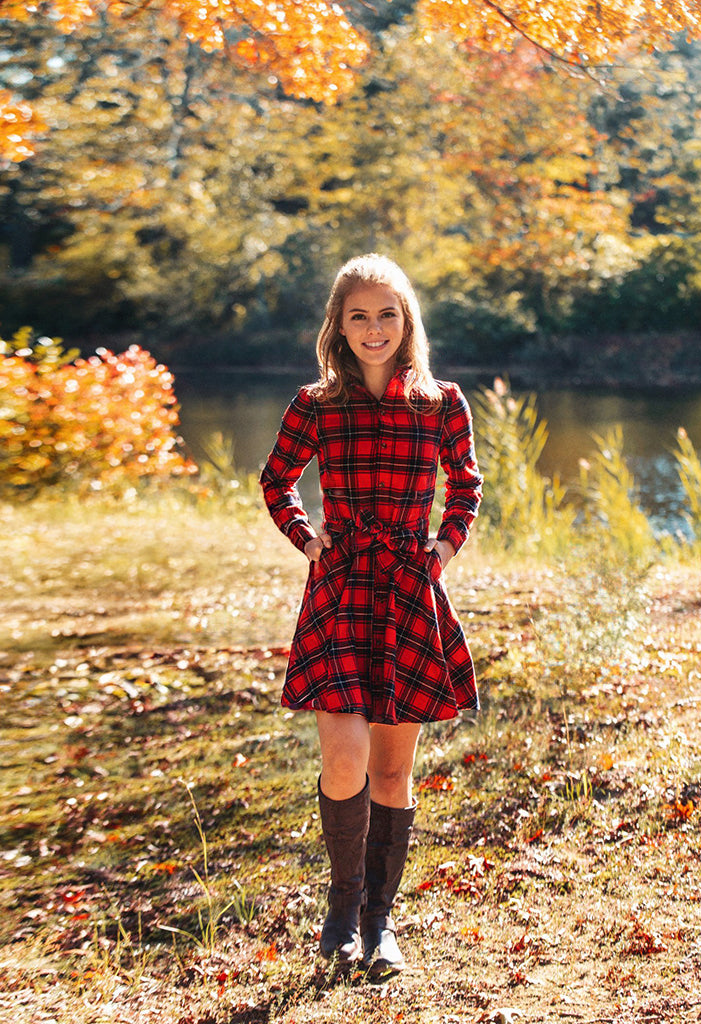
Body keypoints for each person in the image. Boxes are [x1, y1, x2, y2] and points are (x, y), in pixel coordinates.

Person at [259, 253, 482, 976]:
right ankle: (342, 910)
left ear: (406, 320)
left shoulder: (442, 402)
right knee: (344, 756)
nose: (375, 328)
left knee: (392, 775)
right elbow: (276, 481)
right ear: (339, 326)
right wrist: (307, 536)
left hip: (409, 593)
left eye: (387, 313)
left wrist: (442, 549)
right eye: (359, 315)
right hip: (340, 589)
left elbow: (467, 487)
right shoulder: (315, 404)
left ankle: (380, 925)